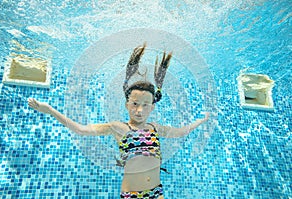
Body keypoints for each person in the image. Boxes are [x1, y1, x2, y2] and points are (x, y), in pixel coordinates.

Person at [28, 43, 209, 199]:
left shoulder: (155, 128)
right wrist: (50, 110)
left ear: (152, 107)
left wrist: (203, 120)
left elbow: (182, 131)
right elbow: (81, 130)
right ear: (127, 104)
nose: (139, 110)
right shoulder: (118, 127)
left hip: (156, 192)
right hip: (132, 194)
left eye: (145, 105)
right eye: (135, 104)